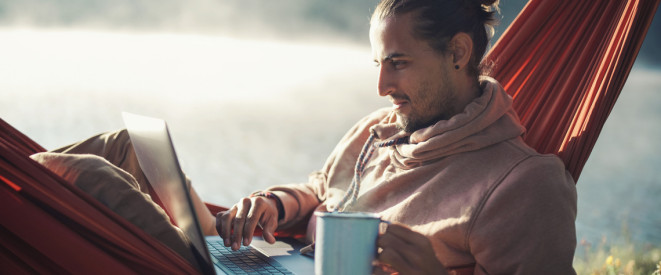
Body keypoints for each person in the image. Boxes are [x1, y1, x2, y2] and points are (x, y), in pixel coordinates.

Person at [216, 0, 577, 274]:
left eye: (399, 63)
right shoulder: (378, 130)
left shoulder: (525, 183)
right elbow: (322, 191)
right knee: (167, 228)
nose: (382, 87)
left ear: (457, 53)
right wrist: (274, 204)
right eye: (379, 64)